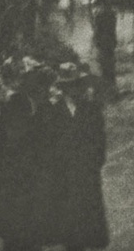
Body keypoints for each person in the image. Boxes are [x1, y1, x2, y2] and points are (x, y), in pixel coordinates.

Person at [0, 62, 57, 251]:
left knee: (28, 234)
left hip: (30, 180)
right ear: (35, 88)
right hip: (16, 180)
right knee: (16, 233)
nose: (48, 93)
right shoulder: (17, 106)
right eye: (45, 89)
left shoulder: (42, 107)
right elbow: (8, 140)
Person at [51, 62, 109, 251]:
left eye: (76, 85)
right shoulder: (54, 112)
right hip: (64, 172)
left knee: (89, 212)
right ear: (63, 88)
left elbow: (99, 140)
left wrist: (95, 163)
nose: (74, 90)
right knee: (68, 215)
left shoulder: (92, 109)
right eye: (69, 86)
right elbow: (50, 143)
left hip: (87, 170)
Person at [92, 0, 118, 99]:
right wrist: (114, 40)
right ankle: (111, 88)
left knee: (104, 65)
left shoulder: (99, 14)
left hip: (103, 42)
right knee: (110, 64)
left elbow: (97, 30)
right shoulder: (112, 13)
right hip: (109, 42)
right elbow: (113, 30)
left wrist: (96, 41)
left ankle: (108, 89)